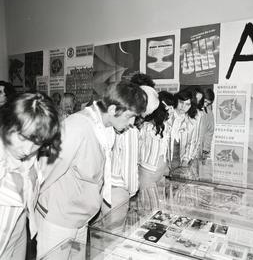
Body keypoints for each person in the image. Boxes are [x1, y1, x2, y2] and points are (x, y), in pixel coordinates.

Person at [35, 80, 147, 259]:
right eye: (130, 116)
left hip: (80, 220)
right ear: (112, 110)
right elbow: (45, 173)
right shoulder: (77, 127)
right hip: (59, 221)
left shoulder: (105, 128)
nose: (133, 122)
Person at [0, 92, 61, 259]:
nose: (27, 150)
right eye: (22, 138)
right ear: (8, 124)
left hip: (18, 227)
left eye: (37, 143)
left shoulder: (28, 150)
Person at [109, 74, 159, 214]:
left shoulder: (116, 120)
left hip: (109, 188)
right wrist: (132, 193)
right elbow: (128, 168)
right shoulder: (130, 129)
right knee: (115, 234)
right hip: (120, 191)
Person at [137, 94, 171, 210]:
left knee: (152, 207)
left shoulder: (152, 127)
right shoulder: (155, 128)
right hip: (154, 172)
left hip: (152, 172)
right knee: (153, 205)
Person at [169, 88, 200, 171]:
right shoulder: (168, 116)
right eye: (181, 102)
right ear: (177, 101)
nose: (183, 107)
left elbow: (192, 142)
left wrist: (186, 160)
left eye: (187, 104)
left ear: (191, 106)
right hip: (164, 161)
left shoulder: (191, 122)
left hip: (179, 161)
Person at [200, 88, 215, 160]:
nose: (206, 104)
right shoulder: (191, 109)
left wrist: (206, 150)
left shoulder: (209, 113)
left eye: (208, 103)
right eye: (205, 101)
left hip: (200, 150)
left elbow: (210, 132)